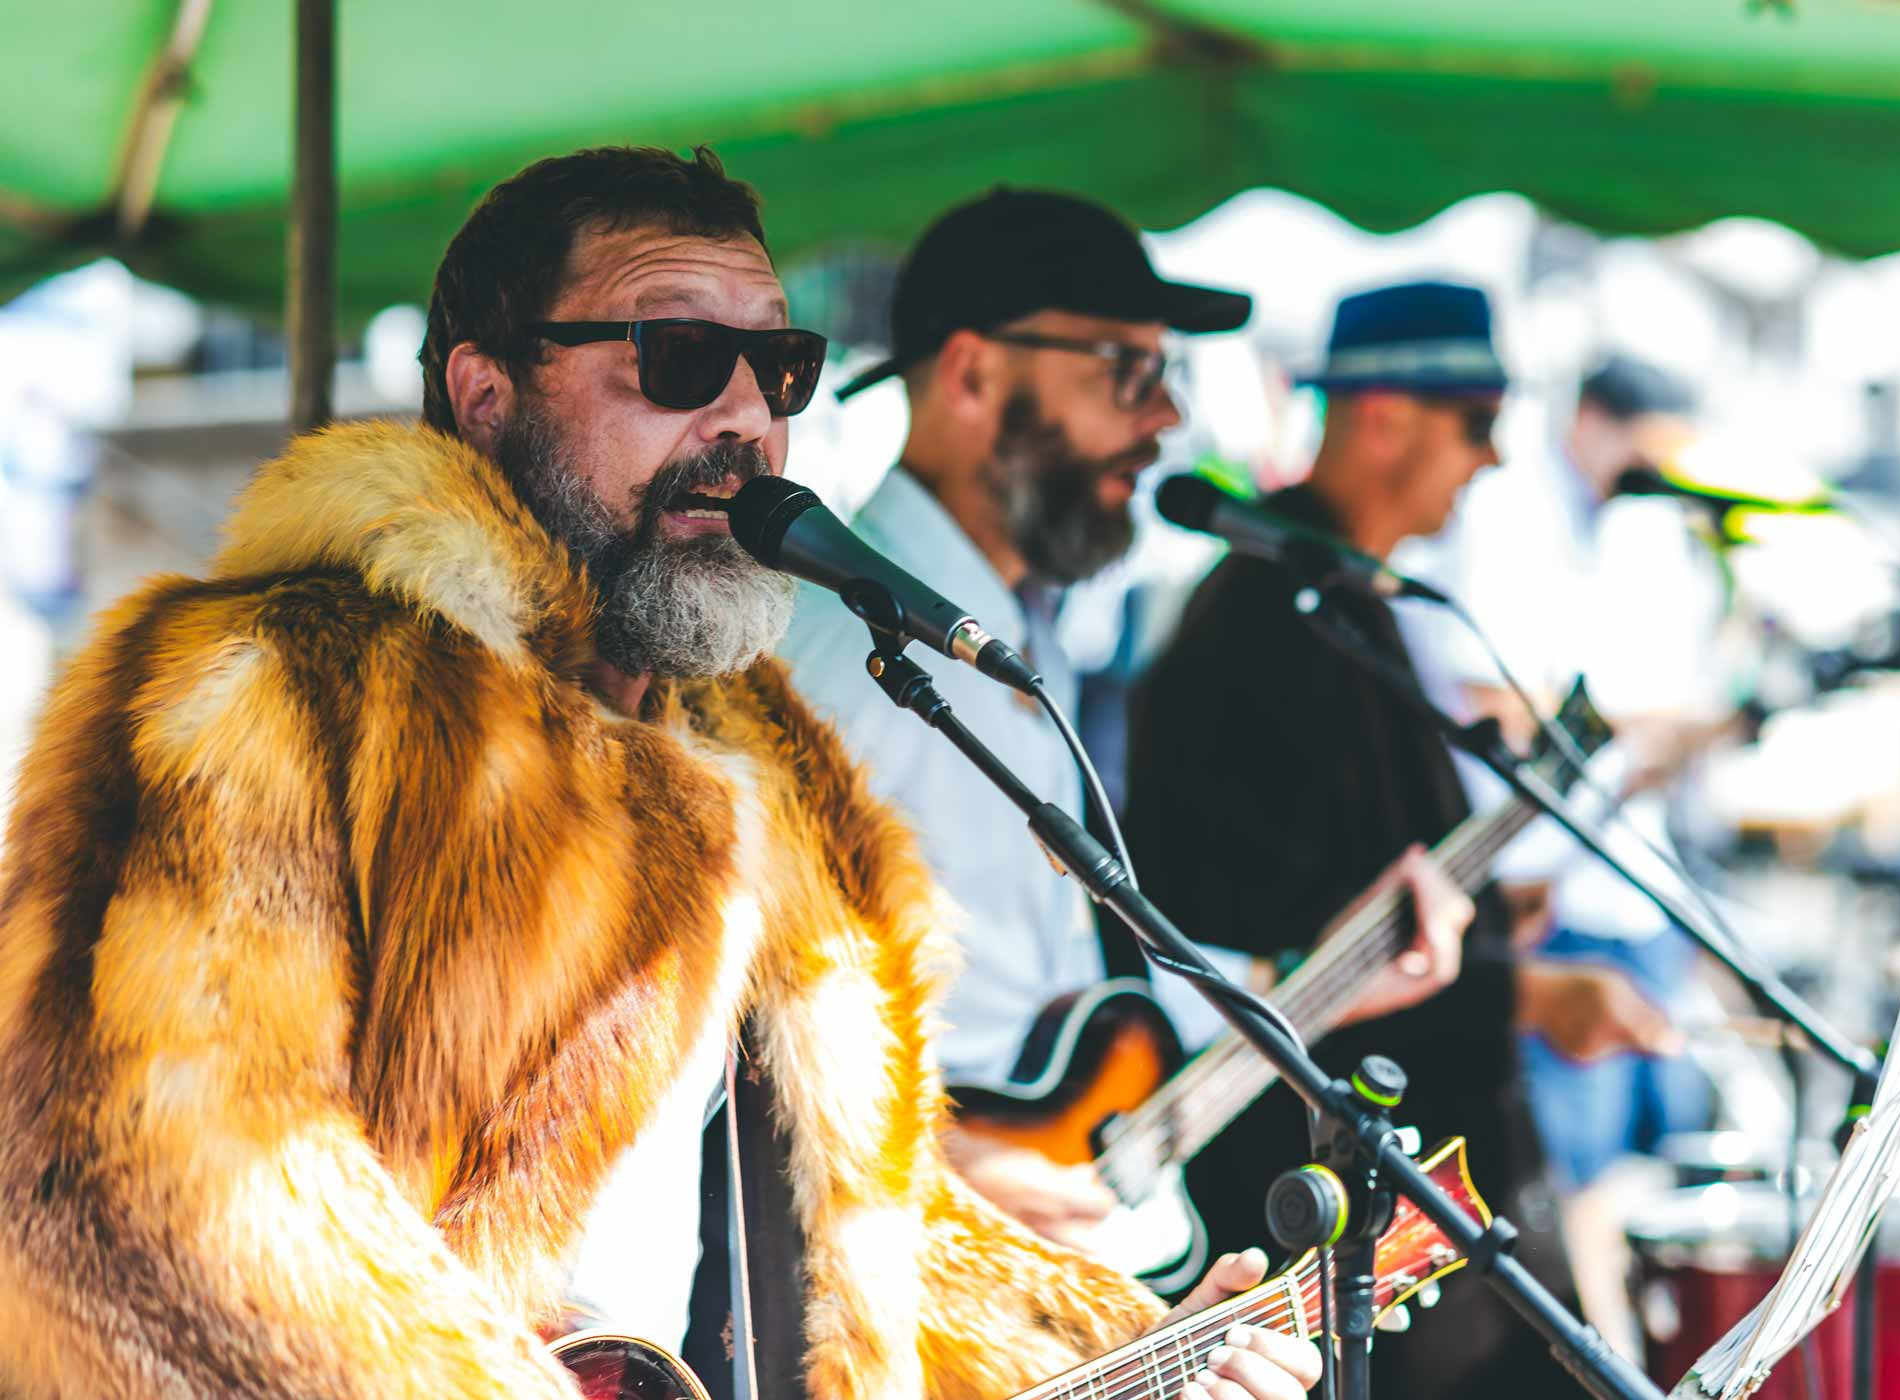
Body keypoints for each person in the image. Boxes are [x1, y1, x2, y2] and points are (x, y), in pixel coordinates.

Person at [0, 146, 1318, 1400]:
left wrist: (1128, 1343)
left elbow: (861, 1226)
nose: (744, 417)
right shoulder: (275, 691)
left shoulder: (763, 755)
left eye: (781, 368)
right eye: (680, 357)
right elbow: (163, 1194)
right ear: (486, 395)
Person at [780, 191, 1471, 1258]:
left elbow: (1075, 1026)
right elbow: (728, 1024)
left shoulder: (1018, 630)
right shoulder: (830, 654)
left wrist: (1313, 974)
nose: (1166, 419)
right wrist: (933, 1164)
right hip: (901, 1278)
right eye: (1127, 372)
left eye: (1168, 374)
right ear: (970, 375)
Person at [1123, 283, 1678, 1400]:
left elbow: (1369, 874)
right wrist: (1528, 993)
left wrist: (1492, 909)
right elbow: (1282, 944)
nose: (1494, 458)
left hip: (1426, 1188)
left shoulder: (1344, 595)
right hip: (1354, 1206)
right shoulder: (1265, 617)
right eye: (1476, 423)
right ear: (1383, 419)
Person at [1426, 352, 1725, 1187]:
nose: (1653, 473)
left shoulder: (1643, 523)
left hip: (1635, 877)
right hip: (1538, 880)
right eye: (1643, 450)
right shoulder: (1505, 511)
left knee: (1669, 1137)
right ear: (1590, 421)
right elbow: (1494, 700)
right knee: (1563, 1162)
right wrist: (1636, 723)